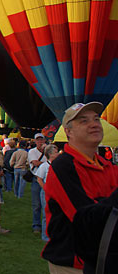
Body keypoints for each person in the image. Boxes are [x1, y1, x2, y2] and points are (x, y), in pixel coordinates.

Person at [43, 102, 118, 273]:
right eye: (84, 121)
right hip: (74, 263)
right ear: (68, 132)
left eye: (96, 119)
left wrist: (103, 205)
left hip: (106, 258)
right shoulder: (63, 166)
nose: (94, 124)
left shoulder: (108, 166)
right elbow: (86, 218)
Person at [35, 144, 59, 242]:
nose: (58, 154)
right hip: (47, 193)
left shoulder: (58, 165)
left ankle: (55, 234)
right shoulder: (44, 166)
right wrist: (46, 189)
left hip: (57, 192)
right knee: (46, 214)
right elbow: (39, 179)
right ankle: (46, 236)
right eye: (56, 152)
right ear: (50, 154)